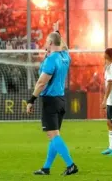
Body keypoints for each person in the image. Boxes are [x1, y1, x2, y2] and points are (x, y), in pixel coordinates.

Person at [27, 31, 78, 176]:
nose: (44, 43)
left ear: (50, 42)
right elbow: (65, 46)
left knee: (53, 136)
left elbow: (42, 83)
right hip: (61, 100)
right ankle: (46, 168)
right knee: (54, 135)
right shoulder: (65, 56)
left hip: (50, 101)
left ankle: (71, 165)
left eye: (46, 40)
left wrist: (31, 100)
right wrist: (58, 33)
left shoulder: (51, 60)